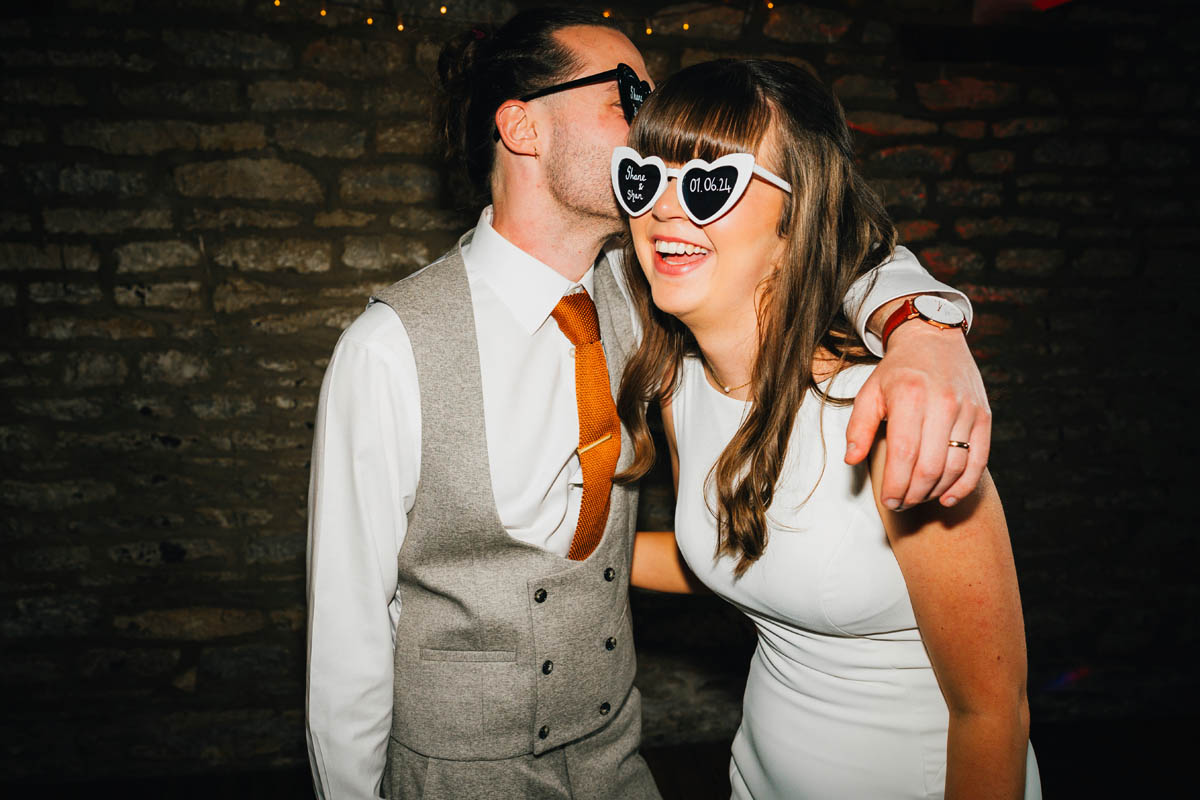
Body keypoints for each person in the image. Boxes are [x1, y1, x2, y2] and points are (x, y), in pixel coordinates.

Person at [306, 8, 990, 800]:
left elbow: (820, 229)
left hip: (617, 761)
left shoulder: (653, 296)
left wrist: (922, 326)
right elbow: (346, 640)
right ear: (523, 127)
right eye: (627, 94)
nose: (652, 119)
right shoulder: (388, 347)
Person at [618, 59, 1040, 799]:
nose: (665, 210)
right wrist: (550, 553)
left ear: (793, 223)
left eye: (710, 184)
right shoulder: (681, 389)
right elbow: (735, 556)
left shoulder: (887, 415)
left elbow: (990, 711)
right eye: (642, 179)